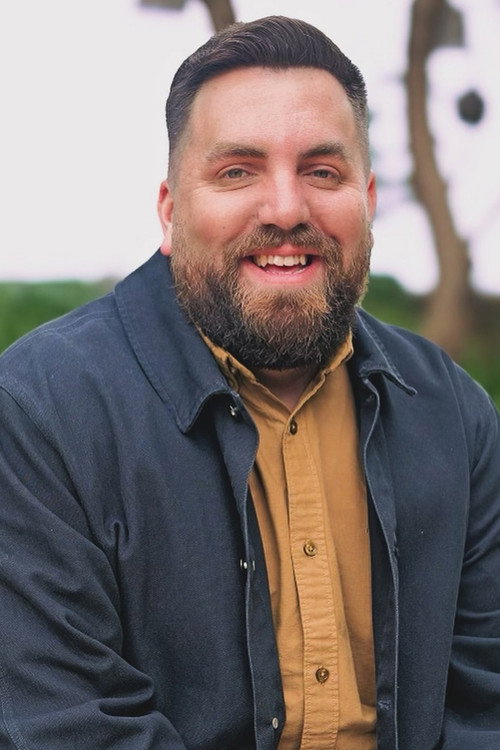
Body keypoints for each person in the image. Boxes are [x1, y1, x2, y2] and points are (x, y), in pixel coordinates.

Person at [0, 15, 499, 750]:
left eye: (322, 172)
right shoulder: (39, 412)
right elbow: (65, 724)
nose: (287, 210)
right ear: (171, 210)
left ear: (366, 201)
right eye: (238, 171)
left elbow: (486, 702)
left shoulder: (455, 413)